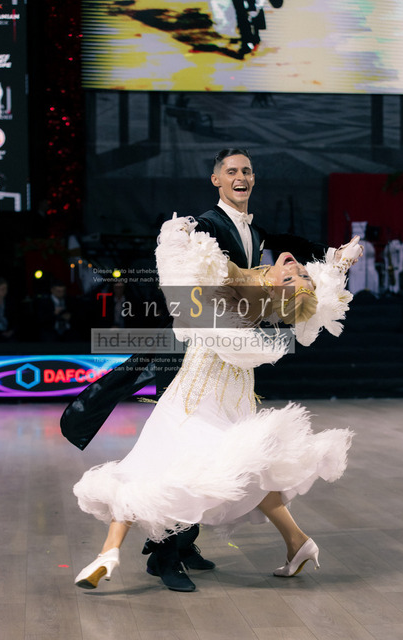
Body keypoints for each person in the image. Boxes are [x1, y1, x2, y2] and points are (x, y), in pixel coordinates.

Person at [72, 215, 359, 592]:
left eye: (293, 278)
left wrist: (176, 237)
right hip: (234, 398)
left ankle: (109, 553)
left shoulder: (243, 295)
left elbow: (182, 287)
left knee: (148, 467)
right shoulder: (265, 293)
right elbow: (316, 296)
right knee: (249, 473)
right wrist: (338, 263)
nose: (296, 267)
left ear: (275, 291)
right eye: (300, 271)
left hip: (193, 397)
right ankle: (298, 542)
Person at [144, 148, 359, 590]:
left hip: (235, 360)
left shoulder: (255, 232)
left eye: (245, 171)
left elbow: (289, 243)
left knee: (224, 452)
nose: (239, 176)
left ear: (253, 179)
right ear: (216, 179)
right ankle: (166, 555)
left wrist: (331, 254)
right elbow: (186, 264)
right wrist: (179, 233)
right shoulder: (207, 224)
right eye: (231, 171)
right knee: (187, 448)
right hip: (200, 353)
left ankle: (184, 544)